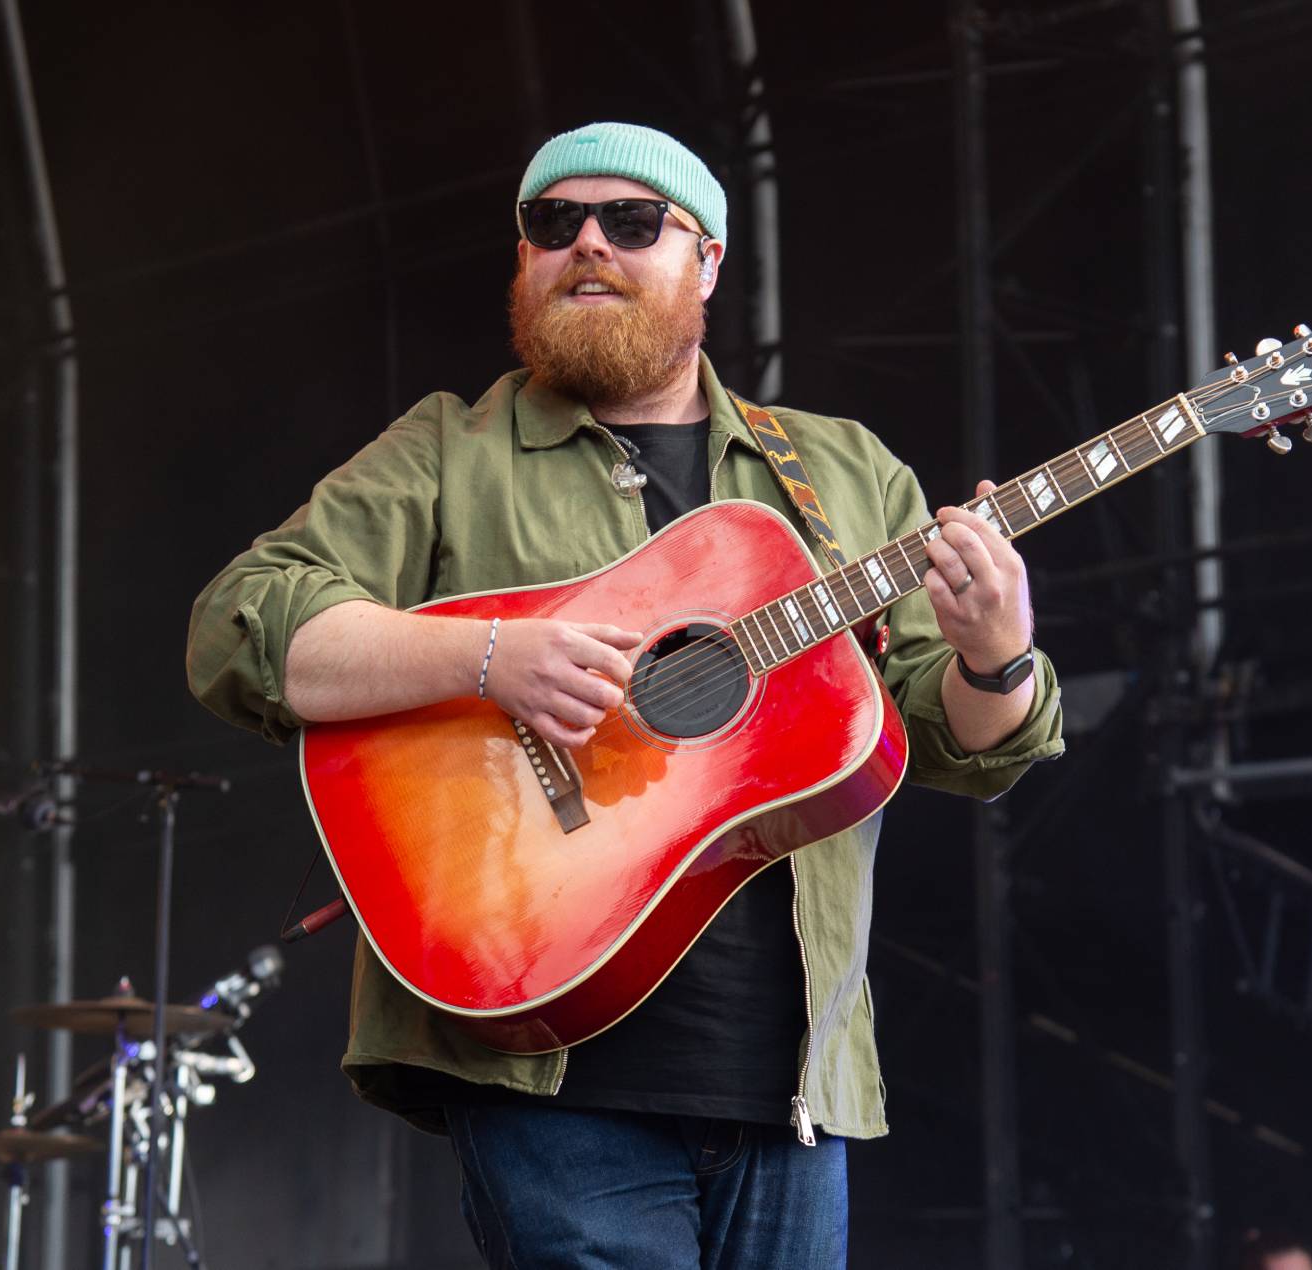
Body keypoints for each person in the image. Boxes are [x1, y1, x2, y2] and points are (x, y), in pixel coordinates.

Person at [187, 121, 1064, 1269]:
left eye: (631, 222)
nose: (588, 244)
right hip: (538, 1055)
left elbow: (950, 741)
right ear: (524, 261)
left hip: (791, 1081)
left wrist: (993, 655)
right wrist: (490, 657)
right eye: (554, 225)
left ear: (704, 262)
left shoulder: (840, 472)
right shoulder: (452, 451)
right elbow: (239, 623)